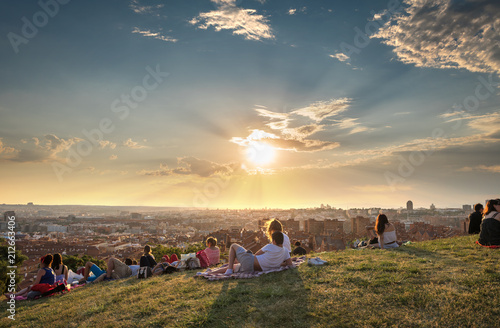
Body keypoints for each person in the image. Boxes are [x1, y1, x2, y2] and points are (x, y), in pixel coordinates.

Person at [221, 231, 292, 275]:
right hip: (251, 269)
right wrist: (281, 263)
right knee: (236, 266)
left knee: (233, 246)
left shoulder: (269, 246)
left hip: (250, 261)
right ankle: (211, 272)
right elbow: (290, 264)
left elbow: (256, 254)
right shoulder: (285, 251)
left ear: (274, 241)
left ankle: (229, 270)